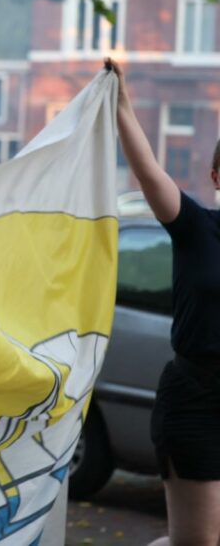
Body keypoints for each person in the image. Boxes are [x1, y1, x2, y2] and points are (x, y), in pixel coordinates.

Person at [109, 57, 220, 546]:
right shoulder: (196, 227)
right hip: (195, 403)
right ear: (216, 175)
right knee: (195, 542)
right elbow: (150, 173)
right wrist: (122, 103)